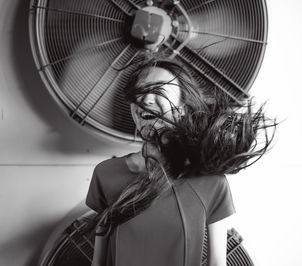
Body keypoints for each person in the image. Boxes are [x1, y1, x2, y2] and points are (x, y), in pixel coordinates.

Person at [86, 55, 275, 266]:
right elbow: (99, 262)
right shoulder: (105, 173)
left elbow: (217, 263)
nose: (144, 100)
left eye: (158, 90)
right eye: (138, 92)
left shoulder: (212, 183)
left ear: (183, 107)